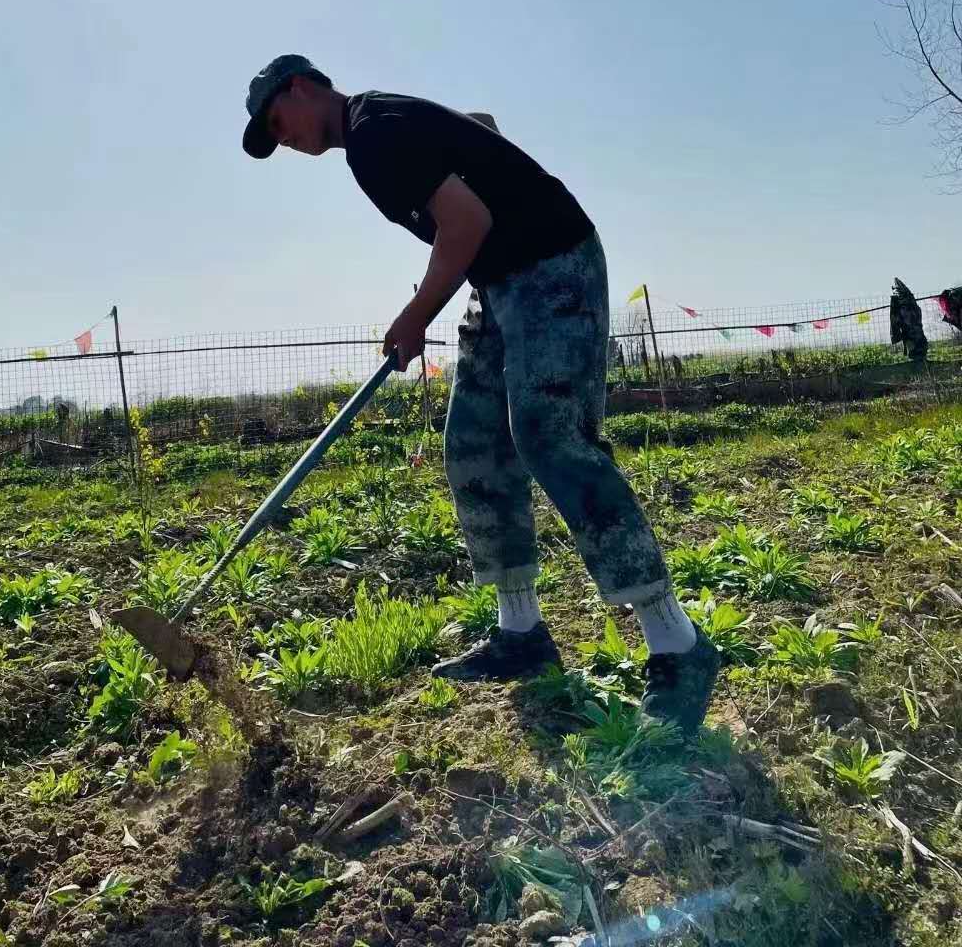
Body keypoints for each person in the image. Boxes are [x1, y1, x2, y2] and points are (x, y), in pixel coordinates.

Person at [242, 55, 719, 736]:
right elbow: (479, 134)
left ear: (300, 87)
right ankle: (521, 634)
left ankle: (678, 643)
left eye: (275, 121)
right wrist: (445, 274)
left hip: (553, 263)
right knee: (472, 443)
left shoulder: (373, 133)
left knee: (550, 434)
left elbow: (463, 223)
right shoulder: (378, 130)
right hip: (499, 283)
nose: (280, 137)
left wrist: (416, 316)